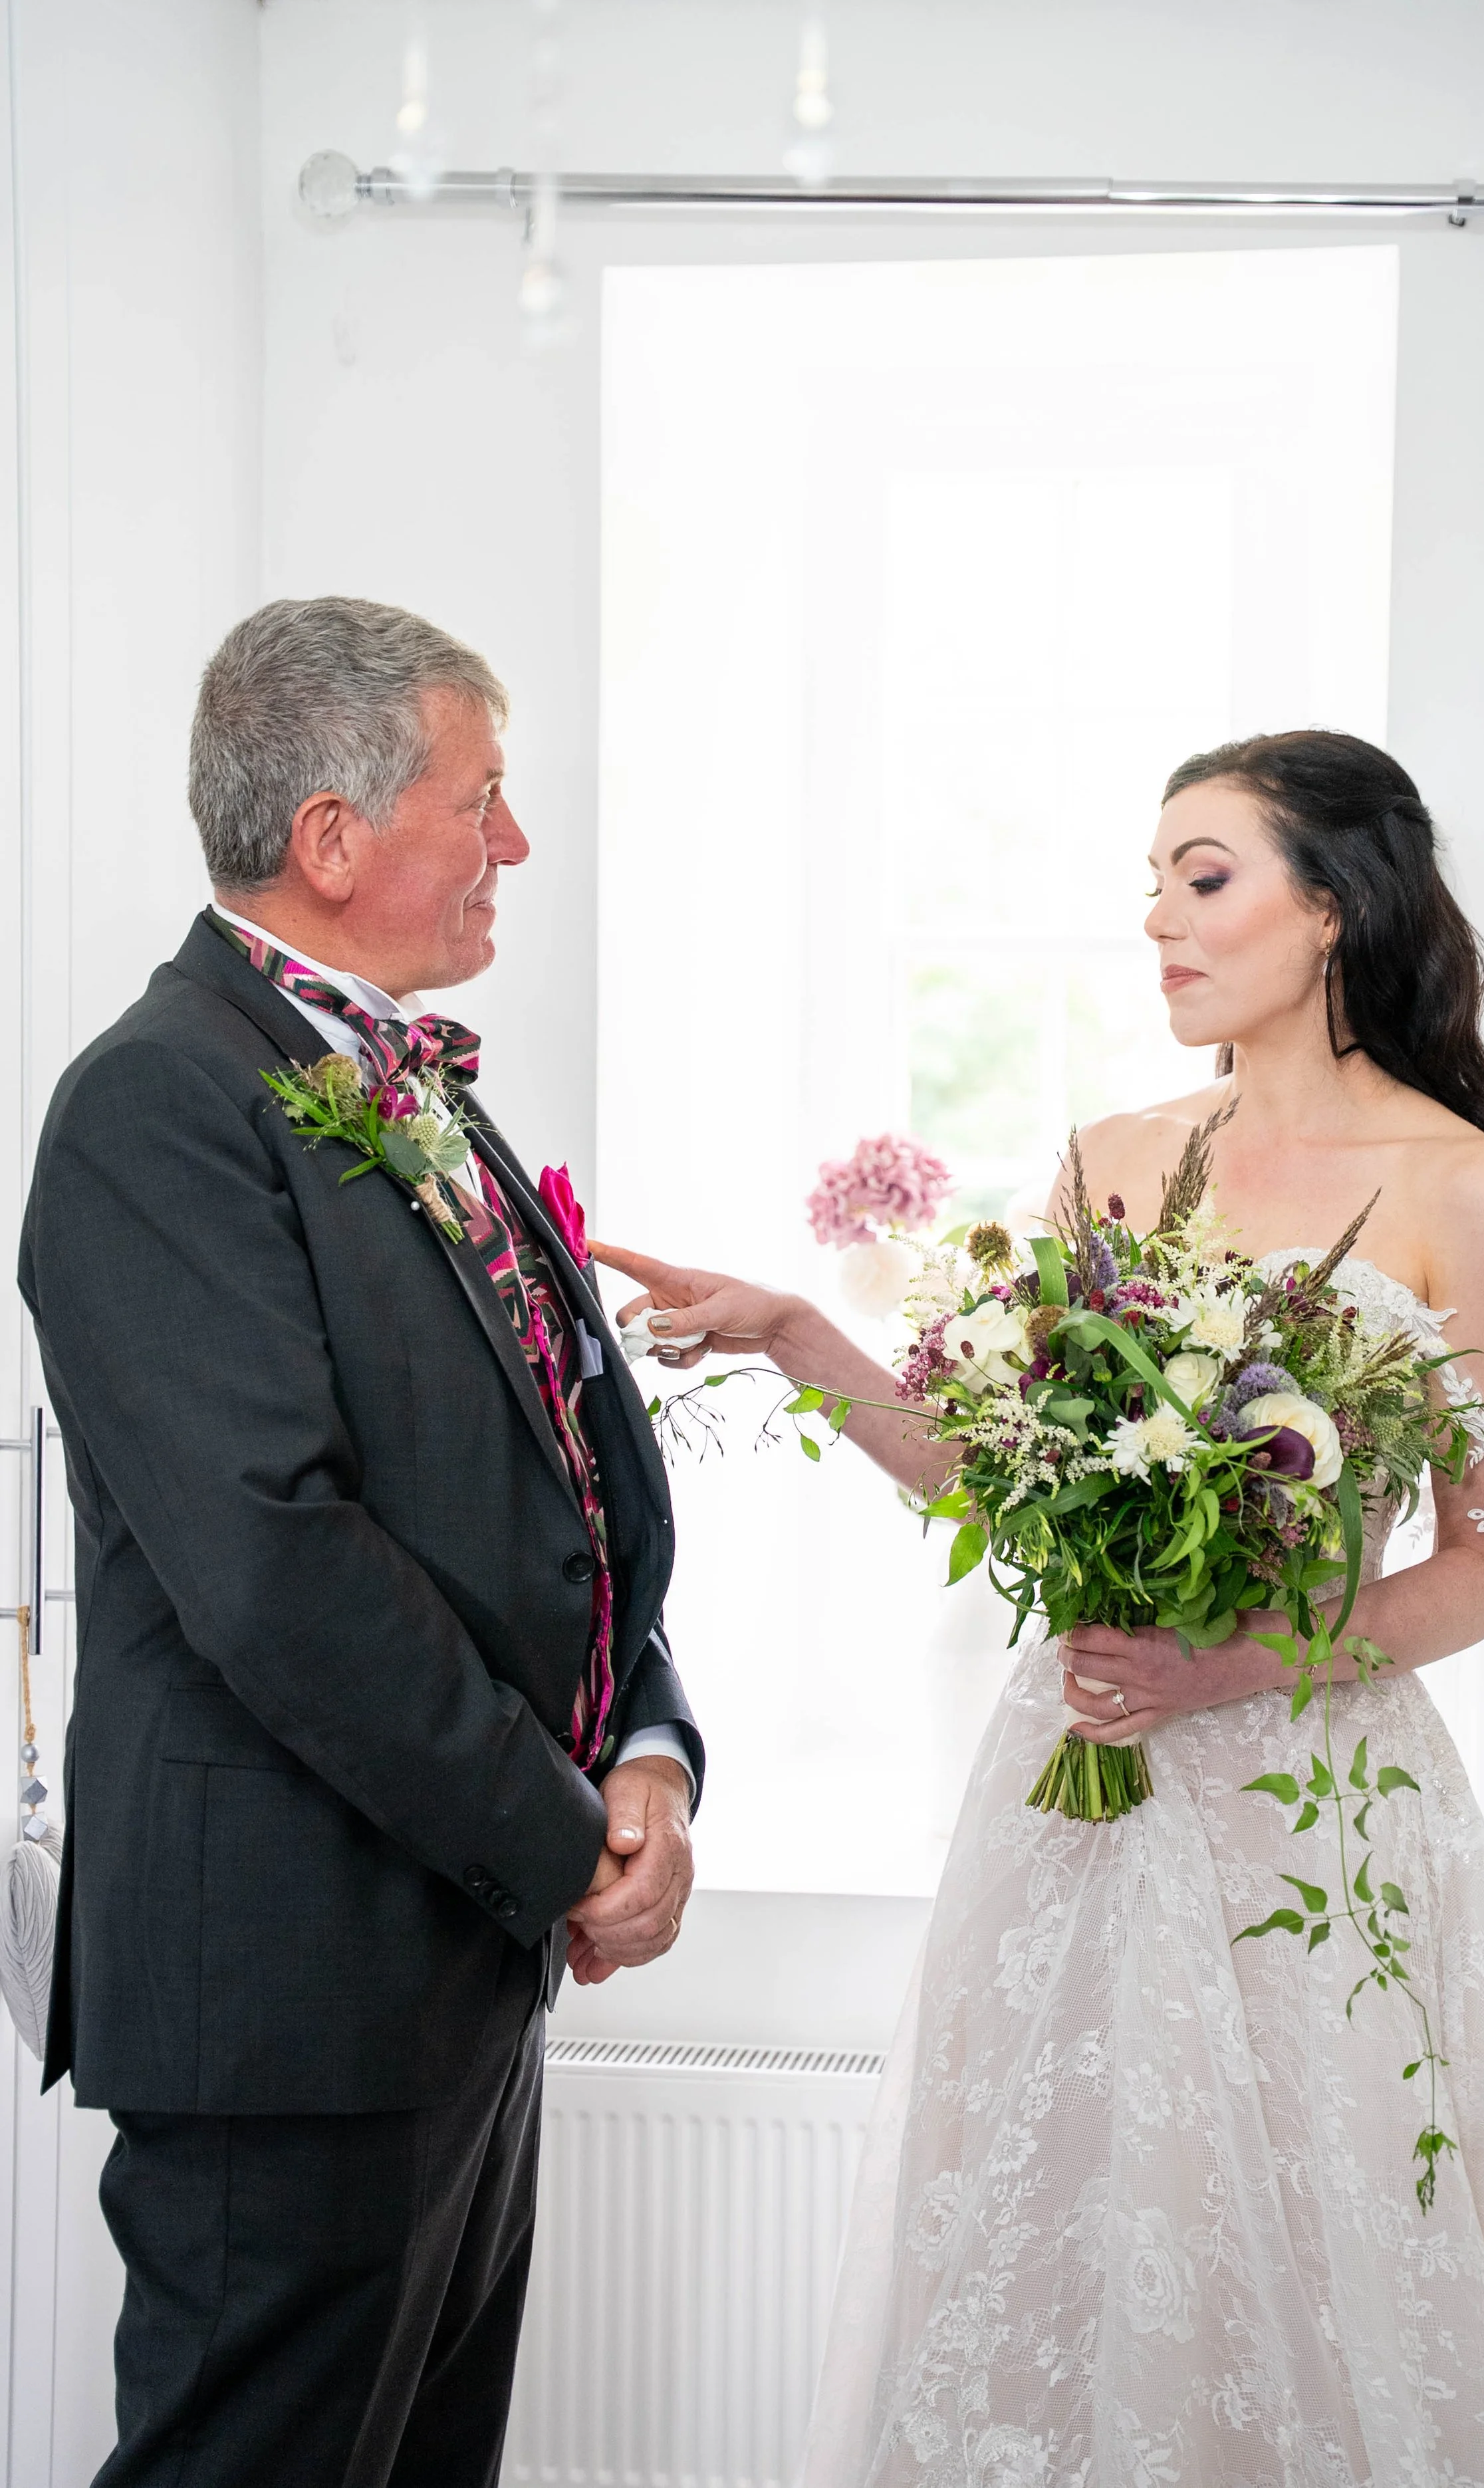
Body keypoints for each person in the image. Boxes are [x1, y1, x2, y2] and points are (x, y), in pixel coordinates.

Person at [595, 731, 1484, 2485]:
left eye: (1200, 875)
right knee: (1059, 2249)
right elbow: (994, 1480)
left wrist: (1235, 1661)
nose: (1155, 919)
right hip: (1079, 1791)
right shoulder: (1112, 1159)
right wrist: (796, 1331)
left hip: (1316, 1822)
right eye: (1149, 881)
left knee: (1307, 2265)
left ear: (1330, 907)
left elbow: (1473, 1569)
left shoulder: (1468, 1186)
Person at [18, 597, 702, 2488]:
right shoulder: (155, 1105)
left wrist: (646, 1748)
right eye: (481, 797)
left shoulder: (422, 1084)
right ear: (330, 837)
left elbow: (561, 1489)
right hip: (291, 1989)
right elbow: (277, 1563)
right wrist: (566, 1837)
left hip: (455, 1958)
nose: (516, 843)